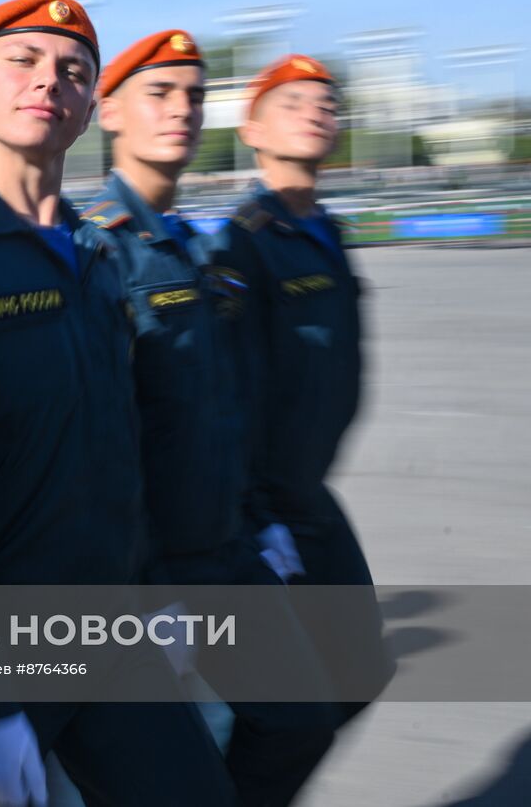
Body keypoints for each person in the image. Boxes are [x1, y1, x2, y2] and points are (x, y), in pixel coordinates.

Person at [0, 0, 235, 806]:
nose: (51, 80)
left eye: (74, 71)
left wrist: (155, 589)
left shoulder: (95, 255)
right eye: (24, 60)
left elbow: (120, 449)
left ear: (90, 108)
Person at [82, 30, 339, 805]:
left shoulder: (194, 247)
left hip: (229, 550)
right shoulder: (98, 246)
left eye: (194, 96)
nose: (183, 110)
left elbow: (228, 402)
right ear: (112, 114)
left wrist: (261, 522)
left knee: (302, 719)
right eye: (160, 93)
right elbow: (105, 441)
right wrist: (143, 585)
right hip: (157, 570)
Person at [213, 54, 393, 724]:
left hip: (311, 491)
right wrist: (257, 513)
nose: (317, 111)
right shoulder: (243, 242)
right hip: (269, 507)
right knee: (287, 711)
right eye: (292, 102)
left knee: (358, 673)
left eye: (327, 102)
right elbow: (233, 391)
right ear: (252, 129)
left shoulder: (328, 231)